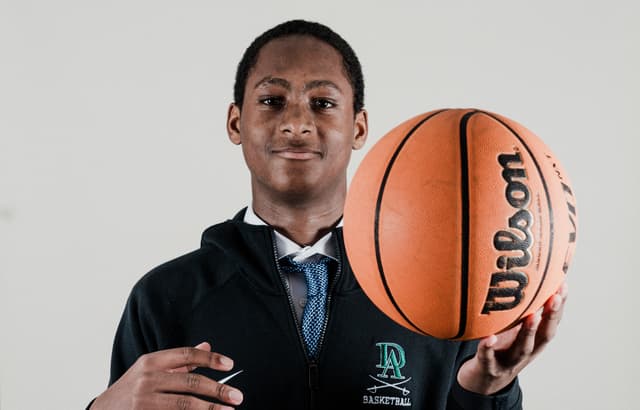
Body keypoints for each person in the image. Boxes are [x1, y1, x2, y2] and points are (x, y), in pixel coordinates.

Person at [88, 20, 568, 410]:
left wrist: (488, 393)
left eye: (323, 103)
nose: (297, 123)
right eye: (272, 101)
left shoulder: (446, 289)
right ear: (237, 122)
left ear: (358, 127)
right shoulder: (166, 296)